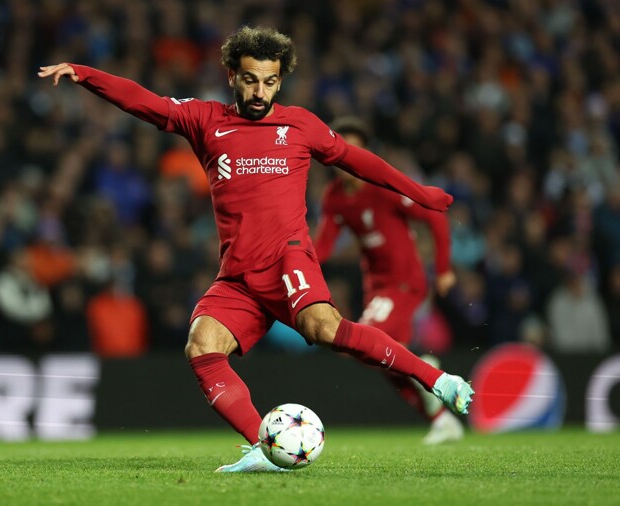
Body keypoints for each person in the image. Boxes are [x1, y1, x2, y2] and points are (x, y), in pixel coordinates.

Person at [38, 26, 473, 473]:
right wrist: (84, 73)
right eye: (250, 80)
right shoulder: (206, 120)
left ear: (279, 81)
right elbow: (144, 101)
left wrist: (418, 191)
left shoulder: (299, 124)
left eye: (269, 81)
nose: (260, 91)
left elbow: (356, 159)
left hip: (287, 258)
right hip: (238, 275)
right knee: (201, 344)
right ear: (232, 76)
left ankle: (438, 380)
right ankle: (262, 450)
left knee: (326, 329)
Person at [314, 116, 463, 444]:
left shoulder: (382, 188)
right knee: (384, 360)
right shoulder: (334, 197)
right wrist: (294, 263)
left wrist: (443, 268)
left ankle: (429, 373)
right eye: (341, 150)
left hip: (404, 282)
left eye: (355, 150)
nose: (346, 158)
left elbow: (435, 215)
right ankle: (441, 420)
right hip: (376, 287)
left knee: (361, 345)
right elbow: (323, 245)